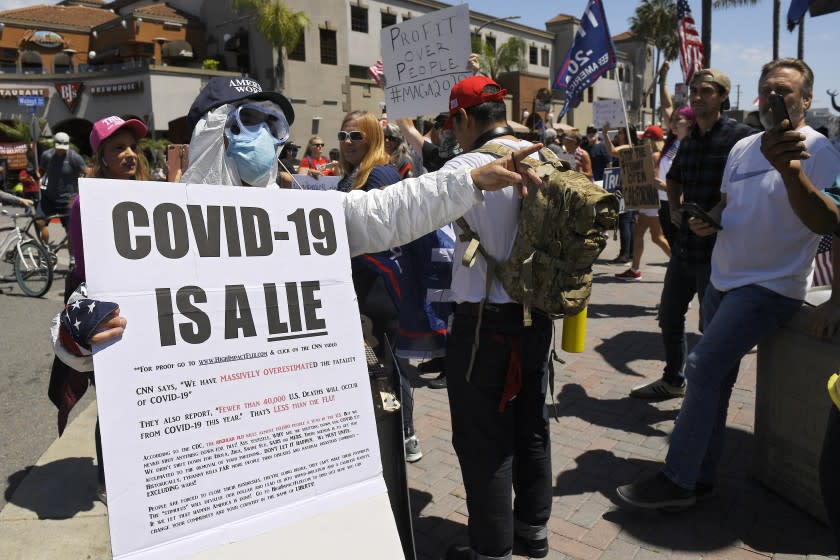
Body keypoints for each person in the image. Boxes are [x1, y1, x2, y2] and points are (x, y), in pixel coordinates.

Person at [617, 58, 840, 510]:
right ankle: (699, 477)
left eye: (785, 91)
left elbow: (830, 220)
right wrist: (709, 221)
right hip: (722, 279)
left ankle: (678, 481)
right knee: (715, 380)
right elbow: (726, 201)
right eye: (766, 90)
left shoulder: (821, 150)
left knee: (699, 369)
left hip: (771, 287)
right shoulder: (745, 147)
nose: (774, 98)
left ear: (807, 100)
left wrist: (836, 300)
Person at [431, 75, 553, 560]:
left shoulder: (464, 167)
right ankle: (533, 531)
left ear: (463, 119)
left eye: (452, 123)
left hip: (482, 324)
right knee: (531, 423)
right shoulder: (544, 156)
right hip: (537, 317)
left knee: (484, 439)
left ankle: (491, 549)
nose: (451, 134)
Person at [630, 68, 754, 399]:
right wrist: (673, 206)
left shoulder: (740, 138)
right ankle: (674, 380)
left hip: (719, 253)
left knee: (711, 328)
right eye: (694, 90)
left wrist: (716, 215)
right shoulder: (690, 140)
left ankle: (709, 392)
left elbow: (750, 190)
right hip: (685, 249)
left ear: (723, 97)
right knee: (669, 316)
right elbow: (673, 178)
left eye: (707, 91)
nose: (697, 96)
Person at [48, 115, 150, 506]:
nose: (128, 154)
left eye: (132, 147)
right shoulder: (82, 202)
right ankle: (108, 479)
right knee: (112, 398)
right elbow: (85, 265)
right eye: (117, 148)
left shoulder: (148, 194)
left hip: (143, 304)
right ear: (101, 156)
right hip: (107, 309)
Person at [615, 125, 671, 280]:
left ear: (651, 139)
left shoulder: (655, 156)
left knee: (656, 237)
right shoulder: (663, 155)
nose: (644, 141)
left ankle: (678, 266)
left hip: (653, 200)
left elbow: (653, 178)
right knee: (640, 233)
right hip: (652, 200)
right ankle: (634, 269)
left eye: (646, 138)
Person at [36, 131, 85, 246]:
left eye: (64, 148)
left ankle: (72, 260)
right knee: (39, 222)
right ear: (54, 144)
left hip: (68, 200)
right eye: (59, 148)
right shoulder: (47, 155)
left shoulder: (75, 158)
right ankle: (45, 250)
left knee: (72, 232)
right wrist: (37, 175)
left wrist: (84, 190)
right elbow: (41, 171)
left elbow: (88, 172)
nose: (61, 150)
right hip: (49, 197)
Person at [604, 125, 640, 263]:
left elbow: (612, 151)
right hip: (631, 187)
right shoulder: (634, 146)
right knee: (629, 222)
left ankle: (624, 254)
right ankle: (629, 253)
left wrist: (605, 134)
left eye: (620, 132)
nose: (618, 135)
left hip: (626, 188)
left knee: (625, 221)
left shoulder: (628, 147)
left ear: (627, 134)